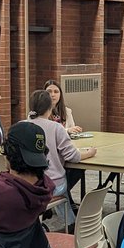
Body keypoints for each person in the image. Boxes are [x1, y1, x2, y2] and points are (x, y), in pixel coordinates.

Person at [27, 89, 96, 228]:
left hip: (28, 183)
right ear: (50, 108)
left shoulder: (21, 126)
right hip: (52, 183)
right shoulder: (56, 128)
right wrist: (90, 152)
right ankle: (71, 225)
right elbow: (73, 156)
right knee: (62, 181)